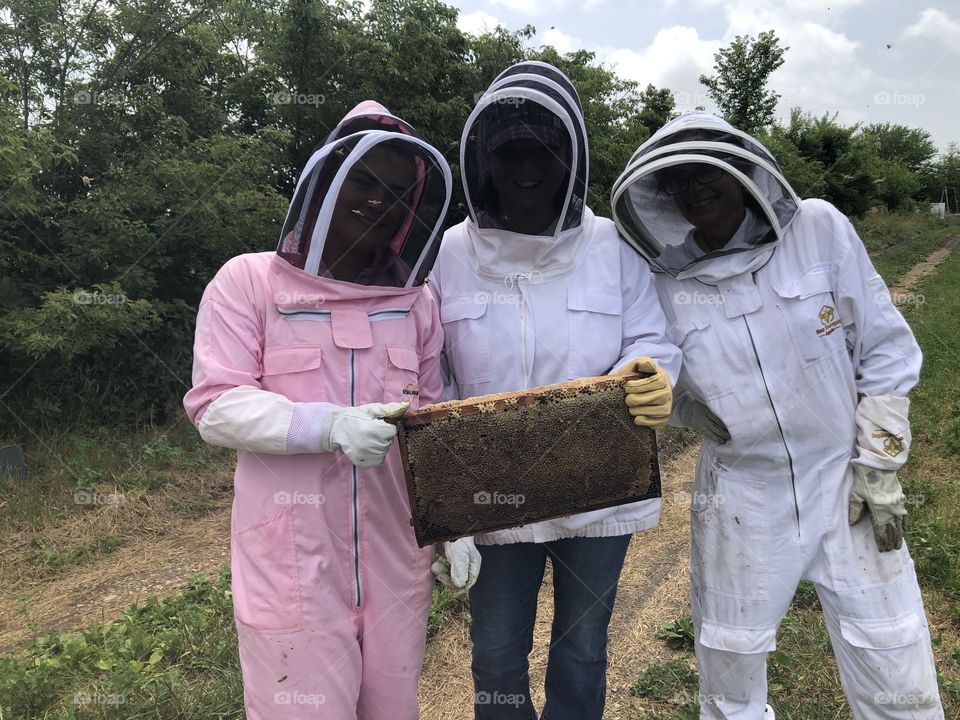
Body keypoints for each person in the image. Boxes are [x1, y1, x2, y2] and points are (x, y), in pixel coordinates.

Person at [611, 111, 944, 720]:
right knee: (730, 669)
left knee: (894, 655)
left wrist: (880, 462)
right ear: (663, 197)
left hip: (846, 480)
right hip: (740, 492)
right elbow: (658, 374)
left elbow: (885, 348)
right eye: (678, 181)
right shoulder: (662, 280)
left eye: (705, 172)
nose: (693, 189)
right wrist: (682, 407)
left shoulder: (818, 229)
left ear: (741, 171)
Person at [183, 101, 478, 720]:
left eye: (396, 193)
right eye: (362, 181)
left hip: (397, 558)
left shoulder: (416, 302)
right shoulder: (248, 282)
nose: (377, 201)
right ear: (324, 182)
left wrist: (452, 524)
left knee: (392, 710)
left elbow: (431, 421)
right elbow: (216, 406)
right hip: (291, 561)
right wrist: (328, 425)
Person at [429, 61, 682, 720]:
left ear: (570, 158)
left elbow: (651, 337)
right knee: (495, 654)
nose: (526, 165)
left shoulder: (612, 245)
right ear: (483, 161)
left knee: (582, 647)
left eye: (543, 150)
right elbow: (433, 374)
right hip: (492, 496)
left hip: (598, 489)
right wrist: (446, 506)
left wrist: (653, 373)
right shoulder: (450, 253)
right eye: (509, 151)